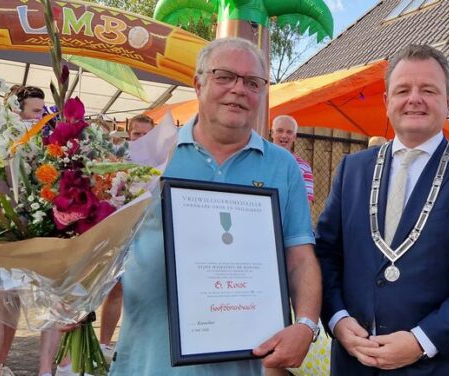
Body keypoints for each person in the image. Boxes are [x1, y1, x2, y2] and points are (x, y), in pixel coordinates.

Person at [109, 37, 321, 375]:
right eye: (224, 76)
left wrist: (307, 324)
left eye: (253, 82)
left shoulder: (283, 167)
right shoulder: (147, 156)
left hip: (242, 365)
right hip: (149, 362)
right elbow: (104, 248)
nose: (239, 89)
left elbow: (299, 257)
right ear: (198, 83)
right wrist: (75, 298)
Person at [315, 44, 449, 375]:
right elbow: (327, 253)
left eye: (428, 90)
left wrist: (421, 341)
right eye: (403, 90)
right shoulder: (352, 169)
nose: (414, 99)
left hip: (438, 366)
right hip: (354, 363)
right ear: (387, 102)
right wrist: (337, 319)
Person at [0, 85, 63, 376]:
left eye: (43, 111)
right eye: (36, 112)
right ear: (15, 111)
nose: (42, 117)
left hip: (36, 227)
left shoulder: (46, 145)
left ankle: (4, 364)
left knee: (15, 303)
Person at [97, 114, 156, 359]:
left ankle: (138, 344)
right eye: (136, 134)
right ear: (129, 134)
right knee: (117, 289)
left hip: (153, 234)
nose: (141, 139)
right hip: (124, 233)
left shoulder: (165, 161)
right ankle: (104, 343)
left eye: (146, 134)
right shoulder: (117, 161)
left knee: (149, 291)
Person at [271, 115, 314, 203]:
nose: (284, 135)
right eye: (280, 131)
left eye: (289, 132)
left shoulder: (304, 167)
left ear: (294, 137)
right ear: (272, 133)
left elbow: (305, 202)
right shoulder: (259, 160)